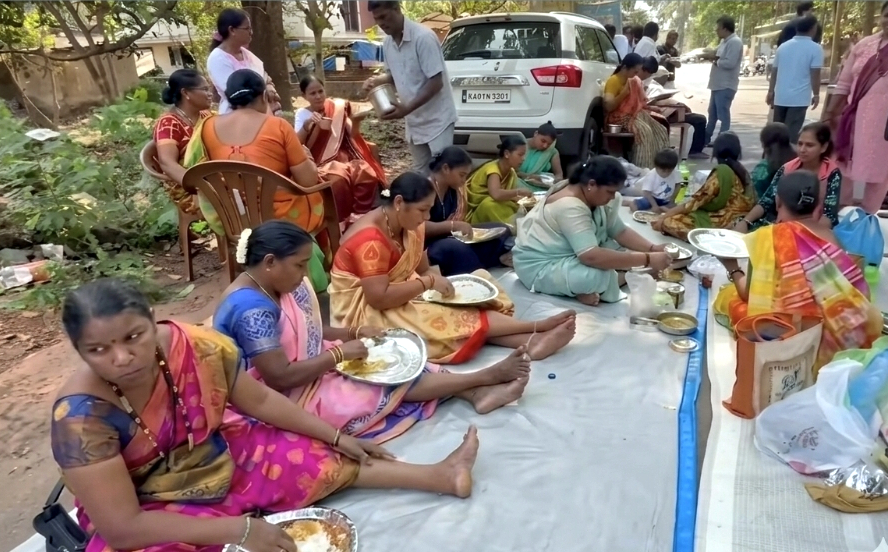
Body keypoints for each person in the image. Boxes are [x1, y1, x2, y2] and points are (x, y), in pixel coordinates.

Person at [50, 278, 483, 552]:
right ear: (79, 350)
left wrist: (334, 437)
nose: (123, 357)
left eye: (133, 337)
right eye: (99, 350)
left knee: (308, 454)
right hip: (145, 503)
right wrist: (239, 533)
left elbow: (256, 402)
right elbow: (124, 527)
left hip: (213, 454)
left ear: (151, 321)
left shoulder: (193, 345)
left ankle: (441, 476)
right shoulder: (80, 418)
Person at [214, 221, 531, 442]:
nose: (304, 273)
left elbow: (305, 332)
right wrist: (337, 353)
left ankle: (475, 391)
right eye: (299, 265)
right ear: (270, 262)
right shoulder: (251, 310)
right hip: (273, 396)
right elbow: (279, 377)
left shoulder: (272, 285)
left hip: (302, 369)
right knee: (379, 384)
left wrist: (350, 333)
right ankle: (484, 378)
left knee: (397, 357)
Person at [329, 172, 577, 364]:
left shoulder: (408, 223)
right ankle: (536, 328)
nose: (427, 218)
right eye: (423, 210)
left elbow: (423, 267)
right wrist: (426, 286)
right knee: (451, 316)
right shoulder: (370, 239)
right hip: (363, 310)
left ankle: (530, 342)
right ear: (398, 202)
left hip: (399, 290)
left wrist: (440, 291)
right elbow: (378, 299)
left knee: (471, 290)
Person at [714, 171, 881, 374]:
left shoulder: (768, 238)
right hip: (834, 332)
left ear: (777, 202)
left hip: (790, 335)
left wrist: (731, 266)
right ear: (817, 204)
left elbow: (749, 294)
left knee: (733, 301)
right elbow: (849, 291)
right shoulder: (830, 237)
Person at [186, 69, 328, 291]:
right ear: (264, 97)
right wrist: (307, 158)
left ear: (229, 99)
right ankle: (314, 279)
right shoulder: (278, 126)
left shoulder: (205, 127)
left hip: (233, 217)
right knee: (320, 193)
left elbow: (194, 170)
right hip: (279, 218)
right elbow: (308, 181)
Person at [513, 156, 673, 306]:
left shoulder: (590, 193)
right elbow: (590, 256)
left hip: (572, 253)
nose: (613, 197)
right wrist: (647, 260)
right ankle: (625, 278)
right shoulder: (569, 205)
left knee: (617, 253)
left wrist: (653, 248)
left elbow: (619, 231)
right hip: (541, 266)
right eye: (610, 191)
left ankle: (588, 289)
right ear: (591, 184)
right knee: (595, 275)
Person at [363, 1, 457, 175]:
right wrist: (375, 81)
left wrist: (406, 109)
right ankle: (428, 203)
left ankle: (454, 203)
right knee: (422, 173)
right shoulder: (387, 44)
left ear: (397, 9)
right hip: (414, 121)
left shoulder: (423, 37)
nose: (381, 23)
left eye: (383, 17)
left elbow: (436, 82)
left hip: (438, 120)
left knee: (443, 173)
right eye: (377, 19)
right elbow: (393, 76)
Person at [822, 1, 888, 214]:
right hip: (854, 119)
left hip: (885, 126)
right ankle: (838, 216)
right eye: (886, 15)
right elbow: (844, 83)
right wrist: (830, 114)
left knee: (881, 173)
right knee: (844, 167)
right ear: (880, 17)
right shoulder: (864, 46)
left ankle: (868, 220)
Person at [294, 75, 386, 222]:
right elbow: (297, 143)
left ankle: (365, 213)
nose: (318, 96)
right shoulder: (303, 114)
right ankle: (342, 220)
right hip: (319, 160)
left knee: (364, 170)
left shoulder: (337, 107)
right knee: (339, 176)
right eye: (312, 93)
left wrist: (356, 121)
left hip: (343, 155)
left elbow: (353, 134)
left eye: (320, 91)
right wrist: (309, 124)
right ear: (304, 96)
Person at [735, 122, 841, 232]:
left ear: (823, 147)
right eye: (800, 144)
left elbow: (829, 215)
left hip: (813, 228)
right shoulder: (787, 168)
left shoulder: (831, 173)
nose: (802, 149)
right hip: (781, 224)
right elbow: (766, 201)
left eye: (809, 145)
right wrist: (745, 222)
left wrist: (809, 238)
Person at [424, 147, 513, 276]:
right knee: (454, 247)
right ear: (445, 169)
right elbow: (418, 227)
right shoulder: (425, 189)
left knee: (502, 229)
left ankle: (474, 262)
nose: (464, 180)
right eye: (462, 175)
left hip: (451, 235)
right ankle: (476, 271)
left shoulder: (453, 190)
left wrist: (458, 228)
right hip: (428, 244)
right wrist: (452, 226)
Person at [652, 132, 755, 241]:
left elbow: (694, 202)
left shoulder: (722, 172)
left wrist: (664, 217)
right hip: (738, 219)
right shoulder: (742, 170)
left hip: (722, 219)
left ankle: (709, 238)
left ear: (716, 151)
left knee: (669, 222)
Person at [152, 69, 213, 214]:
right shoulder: (169, 123)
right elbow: (167, 163)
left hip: (213, 179)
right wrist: (198, 187)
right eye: (205, 89)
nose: (210, 94)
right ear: (186, 93)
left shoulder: (207, 116)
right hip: (188, 189)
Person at [206, 8, 281, 115]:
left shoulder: (246, 54)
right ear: (232, 30)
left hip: (262, 113)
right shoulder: (217, 59)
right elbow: (236, 94)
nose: (251, 32)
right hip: (236, 117)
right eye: (247, 28)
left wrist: (269, 88)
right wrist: (263, 94)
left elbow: (264, 77)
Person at [604, 53, 670, 168]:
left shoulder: (633, 80)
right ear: (625, 67)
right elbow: (609, 106)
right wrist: (624, 93)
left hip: (634, 114)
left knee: (661, 130)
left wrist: (650, 108)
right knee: (645, 132)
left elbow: (640, 102)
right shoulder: (613, 81)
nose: (636, 75)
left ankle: (659, 168)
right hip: (619, 116)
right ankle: (642, 169)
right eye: (635, 71)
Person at [766, 15, 822, 143]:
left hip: (781, 97)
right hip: (799, 99)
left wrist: (770, 92)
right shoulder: (815, 48)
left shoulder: (783, 47)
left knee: (777, 134)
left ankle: (772, 159)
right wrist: (817, 94)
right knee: (791, 135)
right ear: (813, 29)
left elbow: (774, 71)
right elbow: (815, 73)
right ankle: (786, 161)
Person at [465, 135, 531, 225]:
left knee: (515, 205)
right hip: (477, 210)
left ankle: (512, 224)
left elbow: (507, 196)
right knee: (489, 204)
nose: (523, 159)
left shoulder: (511, 172)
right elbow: (496, 194)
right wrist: (518, 192)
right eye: (520, 155)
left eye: (524, 155)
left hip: (496, 203)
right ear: (507, 154)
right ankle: (510, 226)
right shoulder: (493, 169)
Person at [705, 16, 743, 147]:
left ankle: (723, 141)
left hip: (726, 84)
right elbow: (718, 55)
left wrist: (716, 60)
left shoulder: (735, 42)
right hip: (717, 84)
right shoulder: (724, 42)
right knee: (712, 113)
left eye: (718, 28)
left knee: (723, 114)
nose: (716, 31)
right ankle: (706, 138)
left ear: (725, 29)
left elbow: (730, 63)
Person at [749, 122, 797, 199]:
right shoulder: (799, 159)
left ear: (764, 144)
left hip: (766, 206)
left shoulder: (763, 169)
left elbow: (754, 193)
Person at [628, 148, 680, 213]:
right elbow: (646, 192)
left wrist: (672, 199)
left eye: (669, 171)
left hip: (666, 200)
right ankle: (631, 202)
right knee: (635, 207)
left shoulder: (676, 172)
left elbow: (678, 185)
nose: (666, 173)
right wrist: (654, 205)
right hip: (652, 198)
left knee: (677, 210)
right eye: (663, 171)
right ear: (656, 167)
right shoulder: (651, 175)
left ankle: (661, 207)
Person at [516, 122, 563, 191]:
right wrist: (527, 176)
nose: (545, 146)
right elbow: (510, 170)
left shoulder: (552, 152)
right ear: (536, 134)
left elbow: (559, 175)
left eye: (549, 144)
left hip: (541, 188)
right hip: (518, 182)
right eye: (543, 141)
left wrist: (552, 181)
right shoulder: (520, 146)